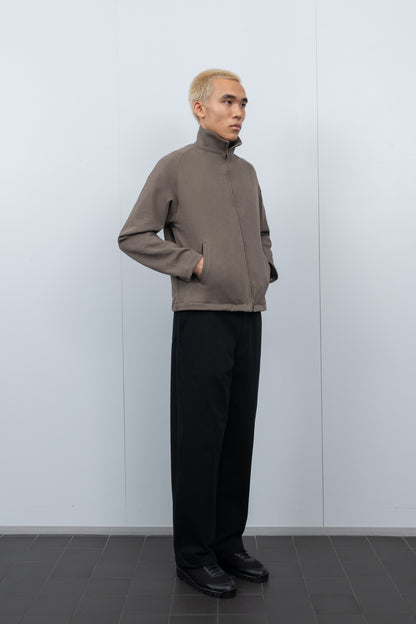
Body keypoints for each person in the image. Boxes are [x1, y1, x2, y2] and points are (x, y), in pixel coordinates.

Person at [118, 68, 278, 598]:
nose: (239, 112)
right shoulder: (176, 166)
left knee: (237, 436)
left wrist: (263, 269)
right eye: (229, 102)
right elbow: (133, 235)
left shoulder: (247, 172)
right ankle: (193, 555)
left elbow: (261, 231)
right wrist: (195, 264)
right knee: (200, 439)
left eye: (244, 103)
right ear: (199, 107)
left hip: (248, 316)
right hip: (202, 317)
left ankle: (228, 544)